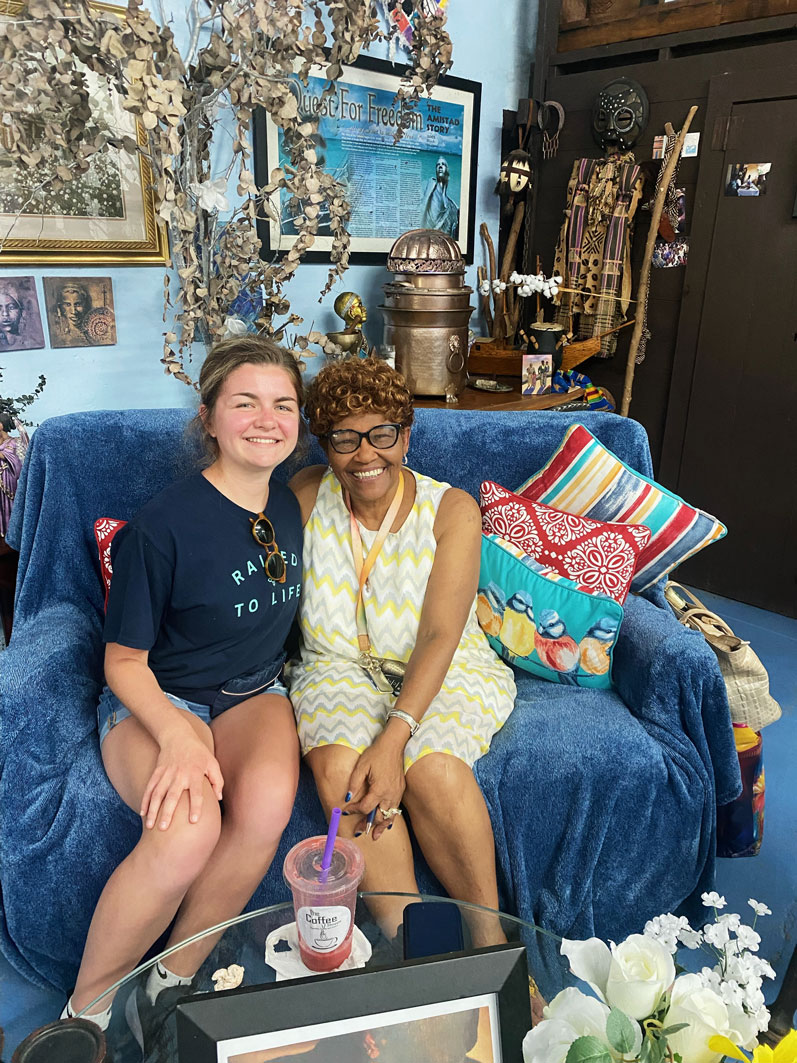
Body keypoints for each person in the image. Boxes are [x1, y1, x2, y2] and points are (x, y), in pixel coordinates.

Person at [61, 335, 305, 1038]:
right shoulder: (160, 528)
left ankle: (173, 979)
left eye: (283, 404)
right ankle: (87, 1013)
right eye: (245, 402)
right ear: (209, 417)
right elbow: (122, 662)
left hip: (255, 693)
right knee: (187, 831)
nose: (266, 418)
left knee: (262, 810)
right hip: (160, 694)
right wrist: (174, 733)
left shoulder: (289, 502)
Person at [287, 357, 516, 948]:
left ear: (406, 434)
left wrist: (394, 738)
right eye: (344, 438)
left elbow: (441, 634)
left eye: (382, 434)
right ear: (324, 443)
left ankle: (491, 945)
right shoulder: (308, 495)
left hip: (445, 665)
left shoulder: (451, 510)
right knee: (342, 772)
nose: (365, 455)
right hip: (336, 668)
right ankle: (413, 947)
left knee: (433, 769)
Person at [0, 411, 27, 539]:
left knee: (8, 504)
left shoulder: (13, 442)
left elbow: (13, 459)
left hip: (7, 478)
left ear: (1, 426)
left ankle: (12, 533)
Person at [421, 156, 460, 237]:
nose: (440, 166)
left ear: (447, 170)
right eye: (438, 165)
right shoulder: (429, 189)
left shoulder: (452, 206)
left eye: (443, 164)